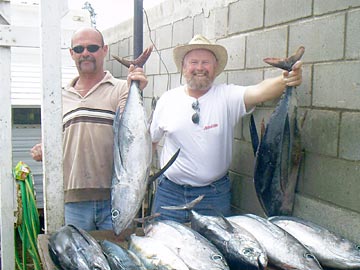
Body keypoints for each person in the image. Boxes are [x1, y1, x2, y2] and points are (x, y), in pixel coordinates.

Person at [150, 34, 303, 223]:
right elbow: (151, 141)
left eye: (206, 62)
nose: (199, 68)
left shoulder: (227, 96)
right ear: (183, 67)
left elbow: (260, 90)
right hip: (169, 194)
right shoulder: (167, 100)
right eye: (193, 62)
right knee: (164, 248)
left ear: (215, 68)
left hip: (213, 196)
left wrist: (286, 79)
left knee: (214, 252)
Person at [30, 27, 148, 231]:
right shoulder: (58, 96)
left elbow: (131, 133)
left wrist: (135, 86)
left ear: (104, 50)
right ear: (71, 53)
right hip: (73, 201)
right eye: (79, 48)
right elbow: (60, 138)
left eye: (92, 47)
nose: (85, 53)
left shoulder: (121, 88)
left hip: (116, 197)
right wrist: (44, 149)